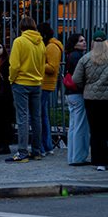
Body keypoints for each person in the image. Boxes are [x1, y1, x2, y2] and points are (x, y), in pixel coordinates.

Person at [72, 33, 108, 171]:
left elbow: (76, 79)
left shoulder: (85, 59)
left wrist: (87, 86)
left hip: (92, 100)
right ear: (107, 43)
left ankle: (100, 162)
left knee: (97, 132)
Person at [8, 16, 45, 162]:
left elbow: (15, 65)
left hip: (21, 82)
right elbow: (42, 63)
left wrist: (12, 79)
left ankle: (22, 152)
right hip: (36, 83)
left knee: (22, 118)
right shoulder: (40, 42)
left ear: (21, 27)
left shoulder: (19, 41)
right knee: (36, 118)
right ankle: (36, 151)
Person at [63, 32, 90, 165]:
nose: (84, 42)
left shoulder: (70, 55)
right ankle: (78, 157)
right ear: (75, 44)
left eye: (84, 40)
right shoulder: (78, 57)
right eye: (80, 41)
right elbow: (80, 77)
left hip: (70, 93)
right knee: (79, 126)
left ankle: (72, 156)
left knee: (73, 126)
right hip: (78, 93)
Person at [38, 21, 64, 155]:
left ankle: (44, 145)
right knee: (43, 115)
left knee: (41, 116)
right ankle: (47, 145)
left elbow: (52, 68)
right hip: (44, 84)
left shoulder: (52, 47)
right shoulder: (49, 46)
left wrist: (36, 64)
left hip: (45, 84)